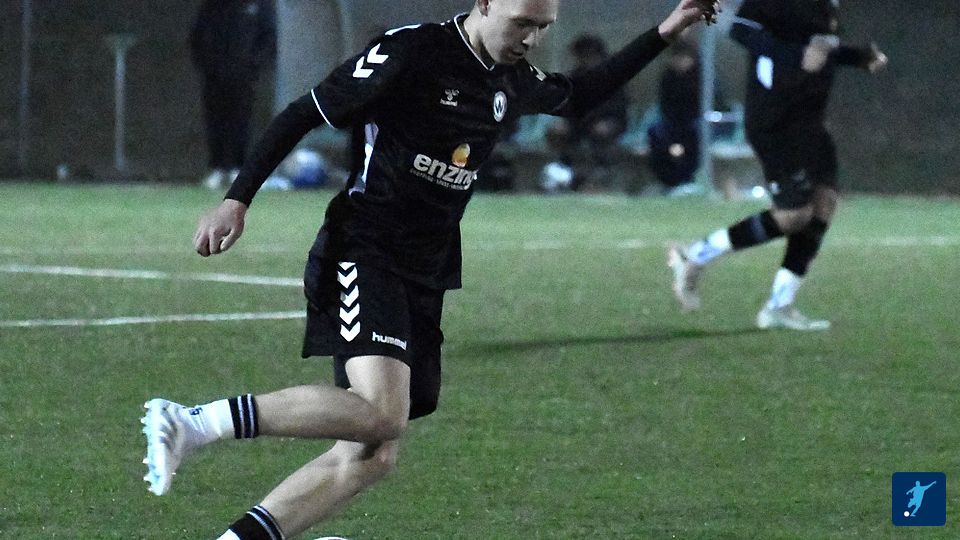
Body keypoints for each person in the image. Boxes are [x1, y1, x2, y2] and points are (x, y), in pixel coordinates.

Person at [142, 1, 719, 538]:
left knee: (373, 453)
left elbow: (581, 94)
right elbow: (303, 113)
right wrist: (236, 199)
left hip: (426, 268)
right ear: (485, 2)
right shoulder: (412, 52)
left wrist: (667, 30)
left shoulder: (510, 74)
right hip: (365, 247)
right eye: (522, 22)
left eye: (543, 26)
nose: (532, 38)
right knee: (380, 415)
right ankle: (194, 422)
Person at [668, 0, 887, 330]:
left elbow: (819, 49)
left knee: (824, 203)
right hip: (775, 121)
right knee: (793, 214)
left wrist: (859, 57)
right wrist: (796, 57)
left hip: (810, 121)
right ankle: (695, 256)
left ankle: (779, 306)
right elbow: (742, 31)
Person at [190, 0, 276, 190]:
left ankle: (238, 168)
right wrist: (208, 65)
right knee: (215, 120)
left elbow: (268, 37)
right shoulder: (213, 5)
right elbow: (197, 36)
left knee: (242, 121)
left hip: (244, 77)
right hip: (214, 75)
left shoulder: (260, 4)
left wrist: (253, 65)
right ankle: (218, 168)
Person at [541, 34, 630, 192]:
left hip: (608, 122)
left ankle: (601, 169)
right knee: (556, 131)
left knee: (600, 131)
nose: (585, 61)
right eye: (582, 56)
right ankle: (561, 167)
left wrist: (600, 118)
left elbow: (619, 108)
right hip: (578, 122)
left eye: (589, 56)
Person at [647, 34, 702, 192]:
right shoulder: (668, 77)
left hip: (695, 122)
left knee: (694, 135)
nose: (679, 62)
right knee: (656, 133)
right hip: (673, 123)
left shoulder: (702, 76)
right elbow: (665, 106)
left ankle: (688, 177)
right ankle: (666, 179)